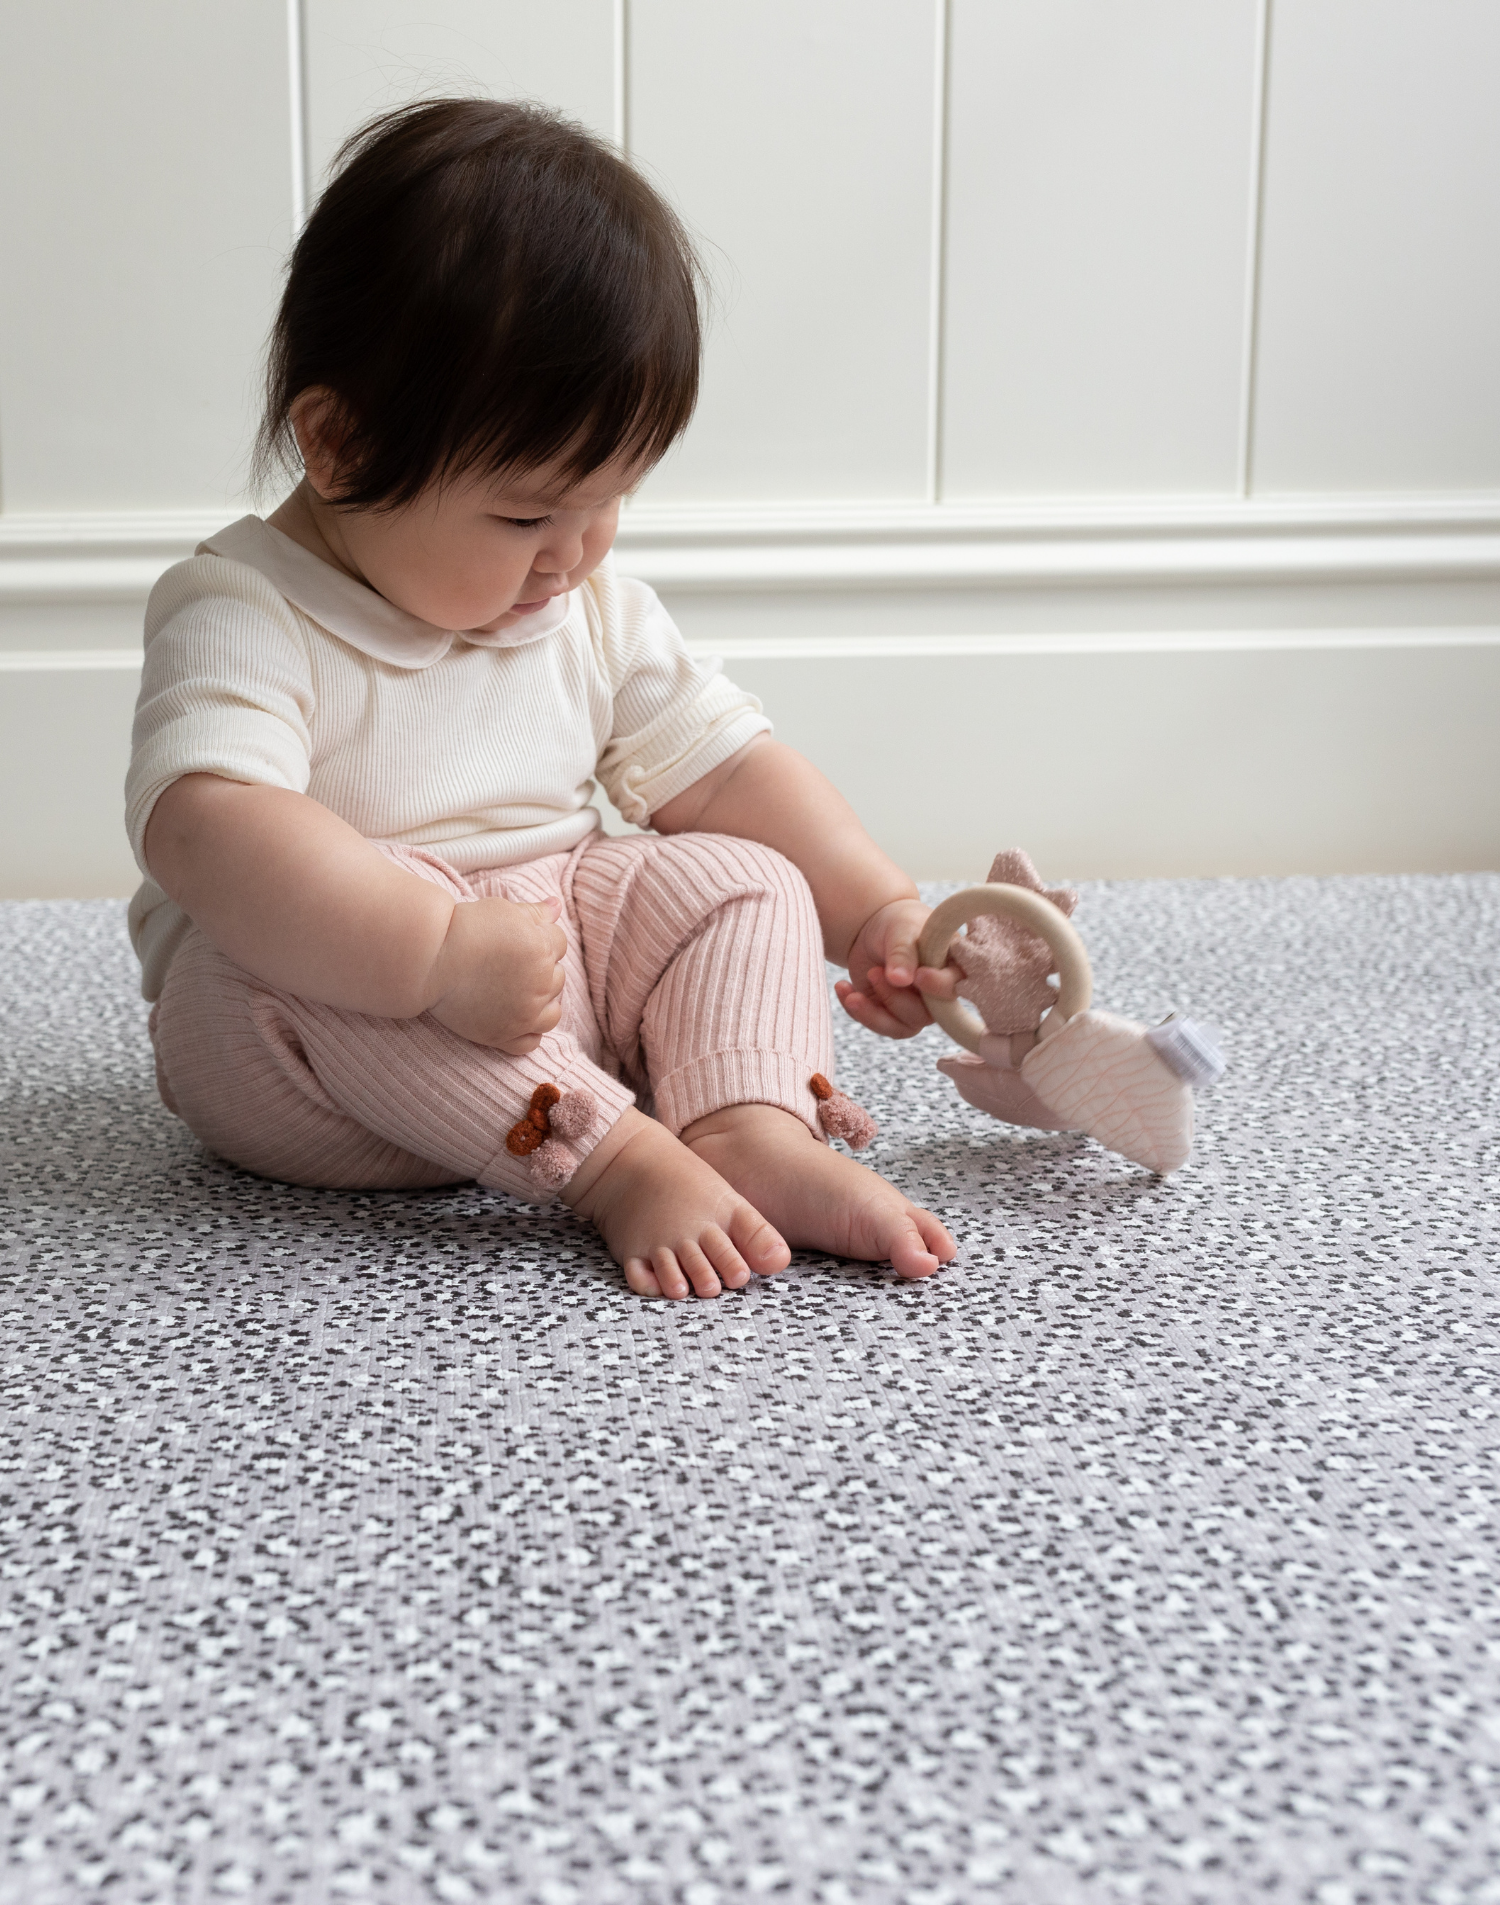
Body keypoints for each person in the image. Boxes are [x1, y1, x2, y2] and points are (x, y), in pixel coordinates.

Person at [127, 98, 958, 1302]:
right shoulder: (246, 609)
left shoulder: (586, 601)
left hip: (540, 974)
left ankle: (744, 1126)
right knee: (302, 935)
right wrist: (430, 955)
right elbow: (209, 829)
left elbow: (725, 771)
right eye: (526, 515)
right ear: (341, 447)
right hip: (313, 1041)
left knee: (740, 875)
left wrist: (877, 908)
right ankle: (614, 1159)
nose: (573, 554)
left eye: (610, 499)